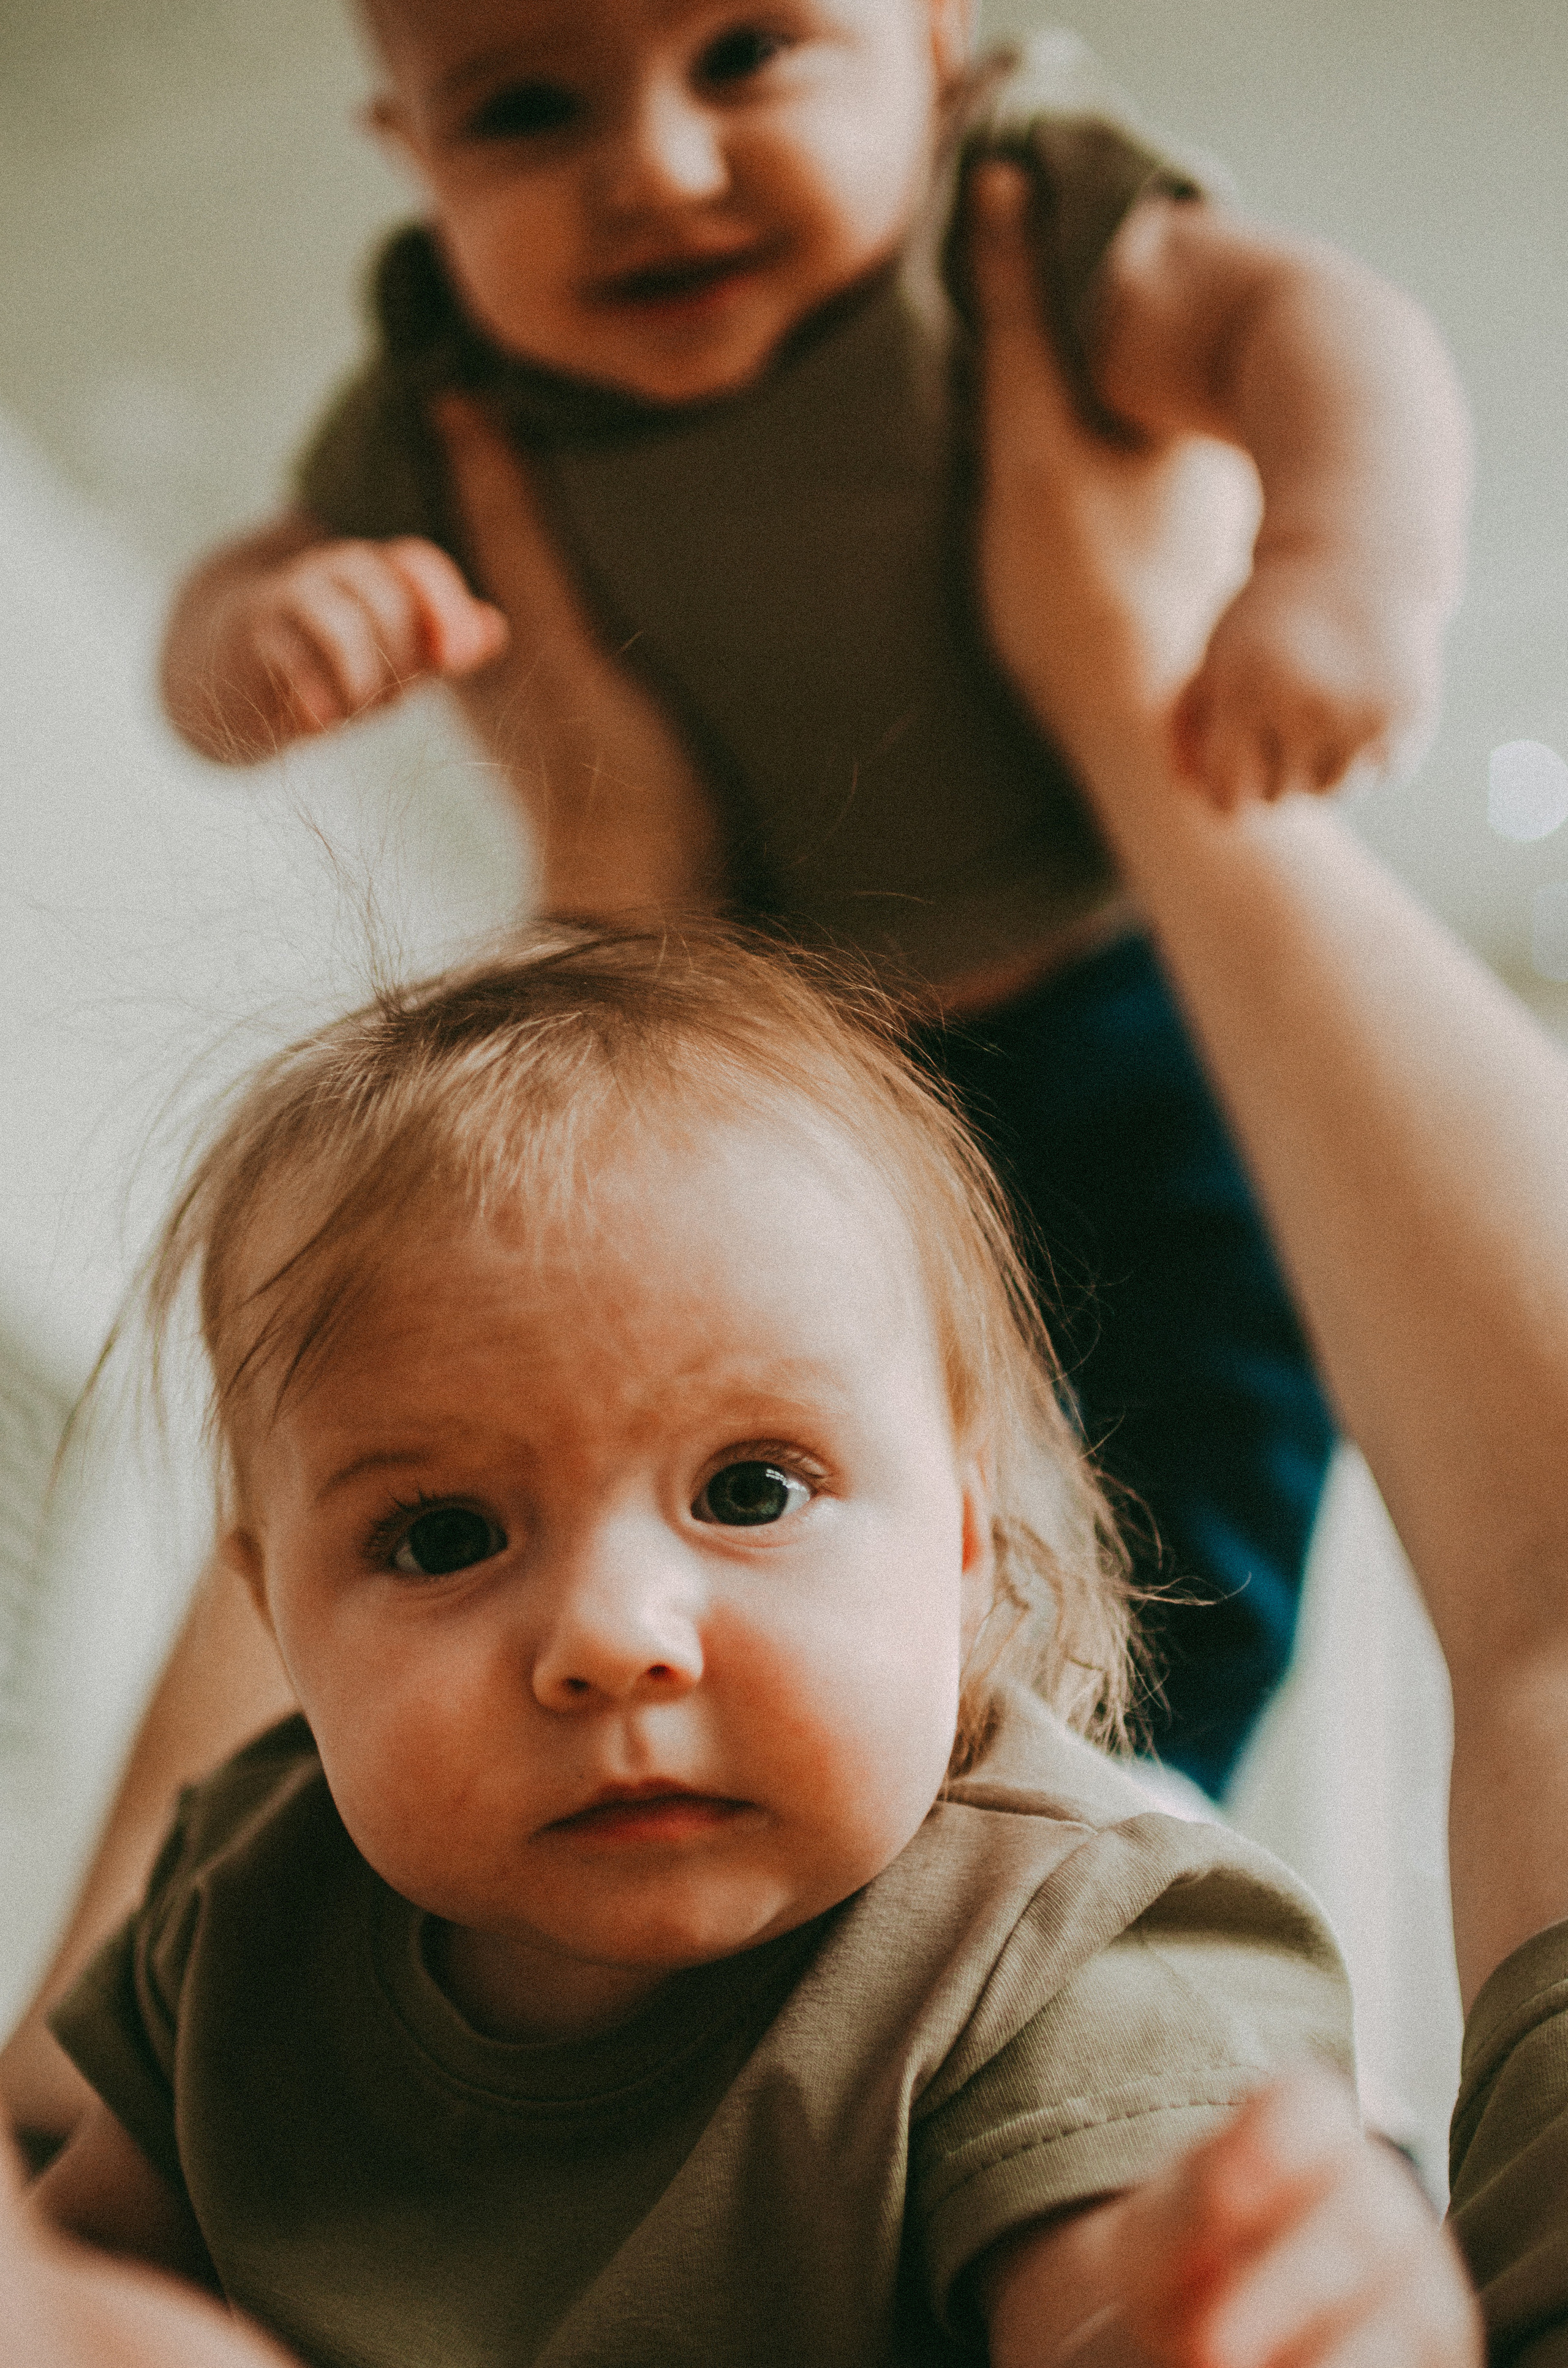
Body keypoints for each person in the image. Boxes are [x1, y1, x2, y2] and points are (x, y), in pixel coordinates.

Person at [155, 0, 1471, 1792]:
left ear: (933, 44)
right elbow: (232, 612)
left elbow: (1313, 326)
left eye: (747, 56)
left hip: (1121, 992)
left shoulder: (1005, 208)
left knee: (1210, 1415)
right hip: (770, 1065)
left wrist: (1340, 562)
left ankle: (1126, 1792)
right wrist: (269, 637)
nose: (656, 169)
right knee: (663, 1422)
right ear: (407, 154)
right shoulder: (456, 387)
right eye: (527, 110)